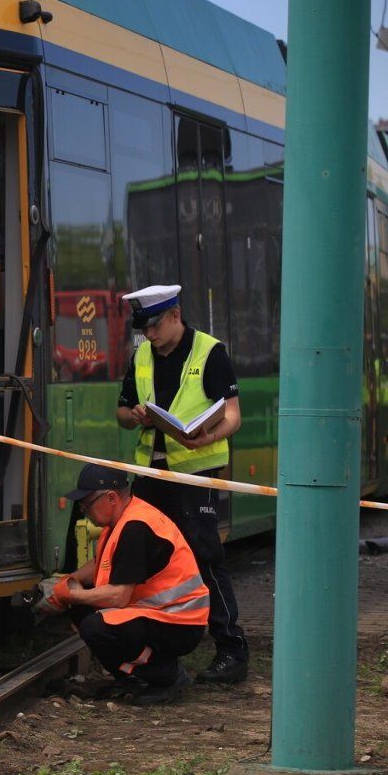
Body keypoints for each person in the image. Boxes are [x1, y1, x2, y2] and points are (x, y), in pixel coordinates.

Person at [115, 284, 248, 684]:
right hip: (151, 473)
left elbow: (233, 415)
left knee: (205, 556)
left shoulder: (210, 351)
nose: (149, 335)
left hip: (195, 473)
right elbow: (121, 412)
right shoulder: (141, 355)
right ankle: (157, 652)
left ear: (175, 315)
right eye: (143, 328)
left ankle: (231, 649)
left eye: (154, 326)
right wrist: (134, 415)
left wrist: (207, 437)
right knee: (150, 559)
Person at [40, 464, 209, 705]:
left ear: (111, 498)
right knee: (84, 612)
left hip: (179, 621)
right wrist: (67, 581)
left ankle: (166, 675)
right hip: (162, 614)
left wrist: (69, 595)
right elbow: (100, 563)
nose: (83, 510)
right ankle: (132, 677)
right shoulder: (124, 519)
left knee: (96, 627)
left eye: (87, 504)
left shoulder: (135, 527)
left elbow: (119, 596)